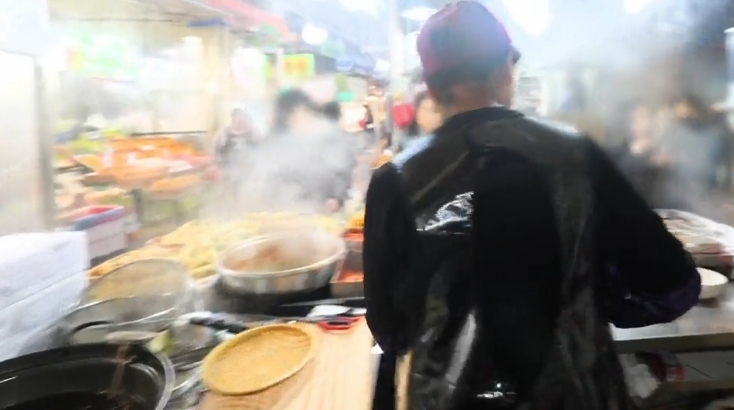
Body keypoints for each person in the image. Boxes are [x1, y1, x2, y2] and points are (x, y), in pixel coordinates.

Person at [363, 3, 700, 410]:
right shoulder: (578, 155)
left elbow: (390, 329)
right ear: (505, 70)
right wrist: (589, 299)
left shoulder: (395, 179)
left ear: (432, 89)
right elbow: (670, 284)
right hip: (578, 396)